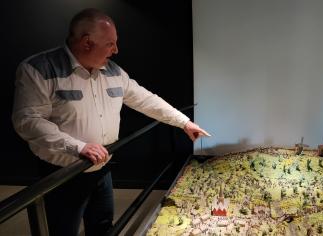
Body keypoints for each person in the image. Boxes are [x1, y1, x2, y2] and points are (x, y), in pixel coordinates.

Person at [12, 8, 209, 236]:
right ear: (87, 42)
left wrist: (184, 122)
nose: (116, 50)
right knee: (64, 230)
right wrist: (79, 147)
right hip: (62, 175)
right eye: (110, 44)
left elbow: (145, 99)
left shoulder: (113, 72)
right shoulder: (38, 69)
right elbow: (28, 121)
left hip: (102, 169)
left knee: (103, 226)